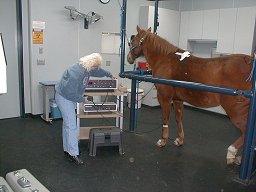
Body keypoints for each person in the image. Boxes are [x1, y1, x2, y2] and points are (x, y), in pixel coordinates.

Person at [55, 53, 113, 165]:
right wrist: (83, 99)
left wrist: (109, 74)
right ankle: (73, 154)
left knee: (68, 124)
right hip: (64, 97)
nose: (95, 69)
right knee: (71, 125)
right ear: (91, 64)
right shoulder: (75, 73)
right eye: (95, 66)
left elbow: (98, 71)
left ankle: (68, 150)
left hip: (68, 96)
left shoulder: (87, 68)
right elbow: (70, 93)